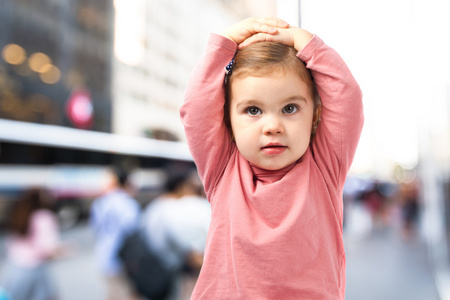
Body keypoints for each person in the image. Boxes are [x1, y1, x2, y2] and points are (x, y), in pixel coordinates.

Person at [180, 17, 364, 299]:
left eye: (290, 108)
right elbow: (195, 109)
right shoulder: (222, 168)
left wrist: (301, 39)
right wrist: (225, 42)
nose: (272, 126)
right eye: (253, 111)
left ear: (315, 116)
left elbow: (346, 96)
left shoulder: (325, 167)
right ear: (227, 121)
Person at [141, 166, 211, 300]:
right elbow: (191, 252)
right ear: (181, 186)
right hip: (169, 268)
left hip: (152, 265)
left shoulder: (154, 206)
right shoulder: (176, 209)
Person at [1, 188, 72, 300]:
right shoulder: (44, 217)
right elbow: (48, 248)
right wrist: (66, 250)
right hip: (36, 270)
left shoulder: (19, 213)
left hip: (15, 268)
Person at [89, 167, 141, 300]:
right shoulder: (128, 203)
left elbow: (95, 228)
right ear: (126, 183)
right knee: (129, 294)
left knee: (113, 293)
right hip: (123, 259)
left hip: (103, 255)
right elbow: (133, 231)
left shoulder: (99, 202)